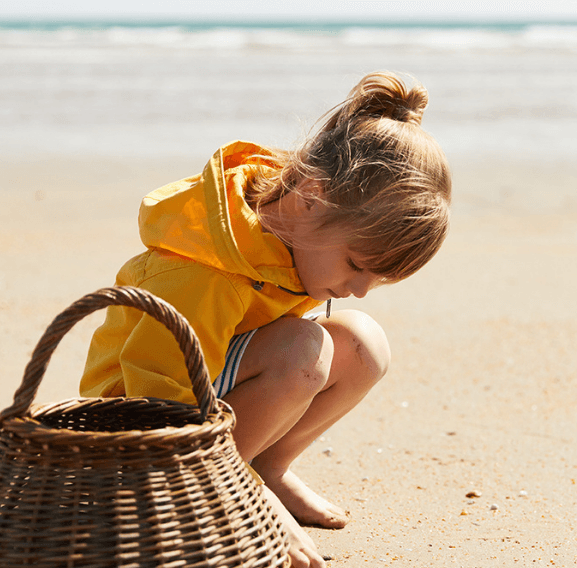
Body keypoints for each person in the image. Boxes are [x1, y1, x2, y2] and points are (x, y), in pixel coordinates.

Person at [79, 71, 451, 568]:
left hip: (210, 397)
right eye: (357, 266)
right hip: (140, 428)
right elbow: (161, 397)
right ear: (309, 197)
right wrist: (248, 502)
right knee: (303, 348)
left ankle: (265, 466)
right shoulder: (204, 270)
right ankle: (229, 490)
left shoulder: (295, 238)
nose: (359, 288)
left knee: (365, 343)